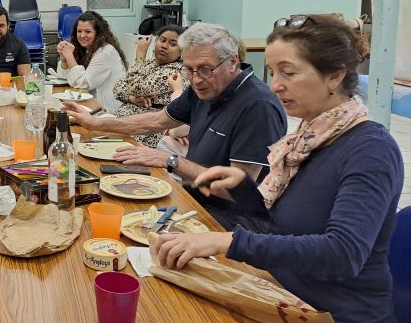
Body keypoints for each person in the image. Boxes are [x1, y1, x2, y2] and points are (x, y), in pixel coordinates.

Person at [152, 15, 401, 323]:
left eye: (289, 73)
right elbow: (286, 225)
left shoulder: (370, 150)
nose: (276, 86)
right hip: (290, 299)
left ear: (334, 75)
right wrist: (241, 188)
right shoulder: (306, 141)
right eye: (273, 73)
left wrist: (227, 241)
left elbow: (342, 254)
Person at [64, 22, 286, 229]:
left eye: (205, 69)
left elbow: (235, 190)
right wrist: (96, 123)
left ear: (233, 61)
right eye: (189, 69)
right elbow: (156, 120)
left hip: (230, 223)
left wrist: (170, 161)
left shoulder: (258, 106)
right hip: (193, 199)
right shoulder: (204, 88)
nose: (196, 79)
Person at [112, 25, 187, 146]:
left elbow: (136, 87)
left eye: (173, 44)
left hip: (145, 134)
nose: (164, 45)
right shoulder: (148, 64)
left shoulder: (177, 71)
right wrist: (132, 99)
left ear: (181, 52)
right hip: (124, 125)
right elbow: (117, 88)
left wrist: (140, 53)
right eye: (162, 40)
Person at [55, 10, 127, 114]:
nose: (82, 35)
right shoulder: (86, 48)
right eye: (79, 31)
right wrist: (63, 58)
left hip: (107, 110)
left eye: (88, 32)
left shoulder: (105, 51)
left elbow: (83, 83)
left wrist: (69, 56)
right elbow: (64, 78)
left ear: (98, 34)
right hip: (90, 102)